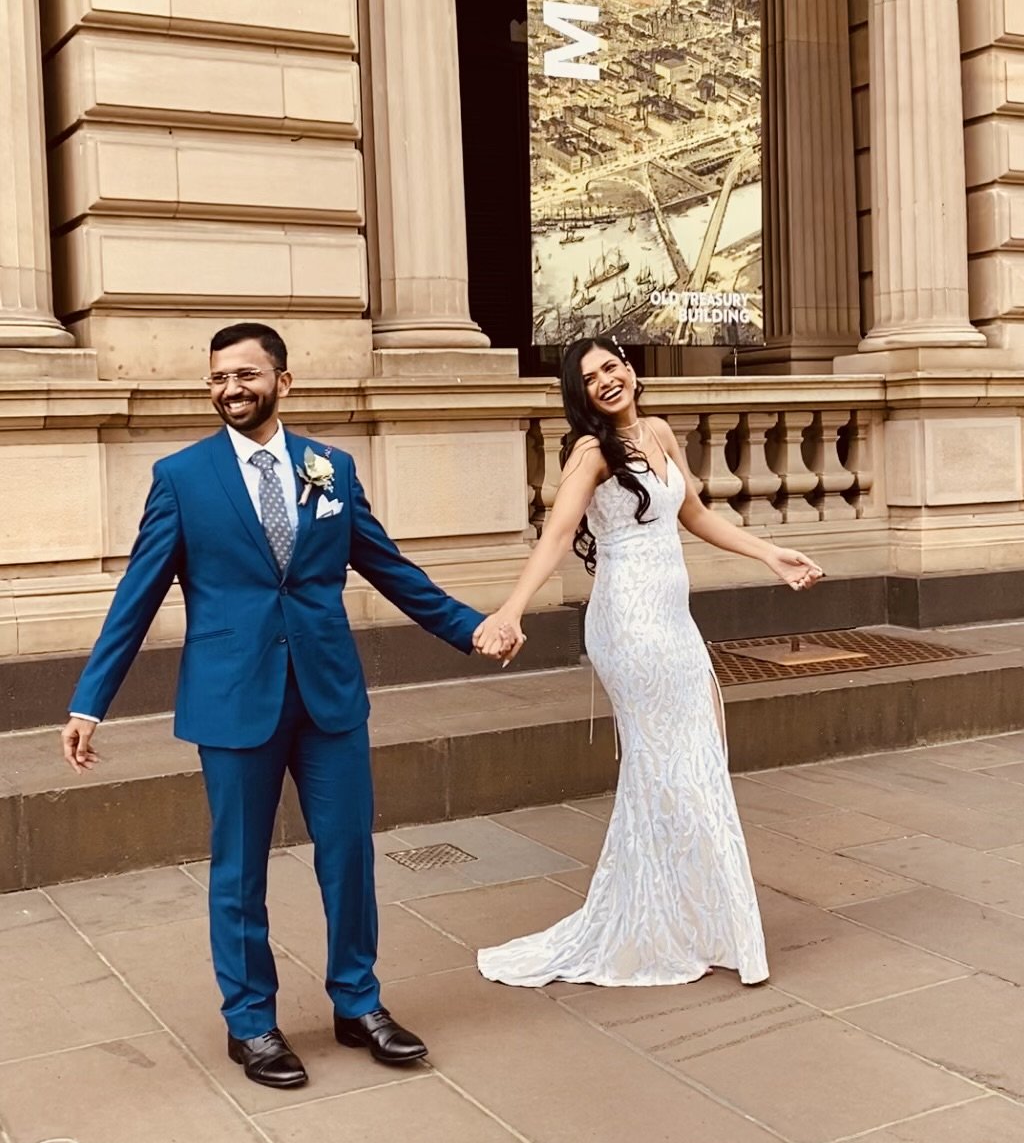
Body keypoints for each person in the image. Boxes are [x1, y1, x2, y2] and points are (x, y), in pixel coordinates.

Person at [61, 322, 507, 1089]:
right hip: (233, 701)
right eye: (217, 378)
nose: (230, 389)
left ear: (282, 381)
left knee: (349, 855)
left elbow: (391, 568)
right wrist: (89, 702)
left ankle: (357, 1003)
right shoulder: (182, 478)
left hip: (329, 695)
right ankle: (251, 1023)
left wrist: (470, 628)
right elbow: (136, 598)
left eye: (245, 375)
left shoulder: (329, 468)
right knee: (239, 870)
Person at [474, 333, 823, 990]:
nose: (605, 381)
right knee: (670, 767)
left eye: (610, 367)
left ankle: (686, 918)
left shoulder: (659, 432)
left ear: (630, 370)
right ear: (581, 396)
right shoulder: (590, 452)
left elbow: (695, 515)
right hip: (629, 626)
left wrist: (771, 554)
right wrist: (512, 610)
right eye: (589, 379)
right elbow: (556, 535)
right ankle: (664, 923)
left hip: (674, 623)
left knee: (697, 759)